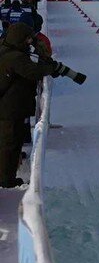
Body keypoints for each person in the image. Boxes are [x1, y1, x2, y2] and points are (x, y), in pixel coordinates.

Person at [0, 22, 63, 188]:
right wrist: (51, 67)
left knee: (11, 143)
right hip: (9, 109)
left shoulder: (7, 50)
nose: (30, 42)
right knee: (9, 144)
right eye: (28, 39)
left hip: (11, 108)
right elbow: (33, 71)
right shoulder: (15, 57)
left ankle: (7, 177)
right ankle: (6, 181)